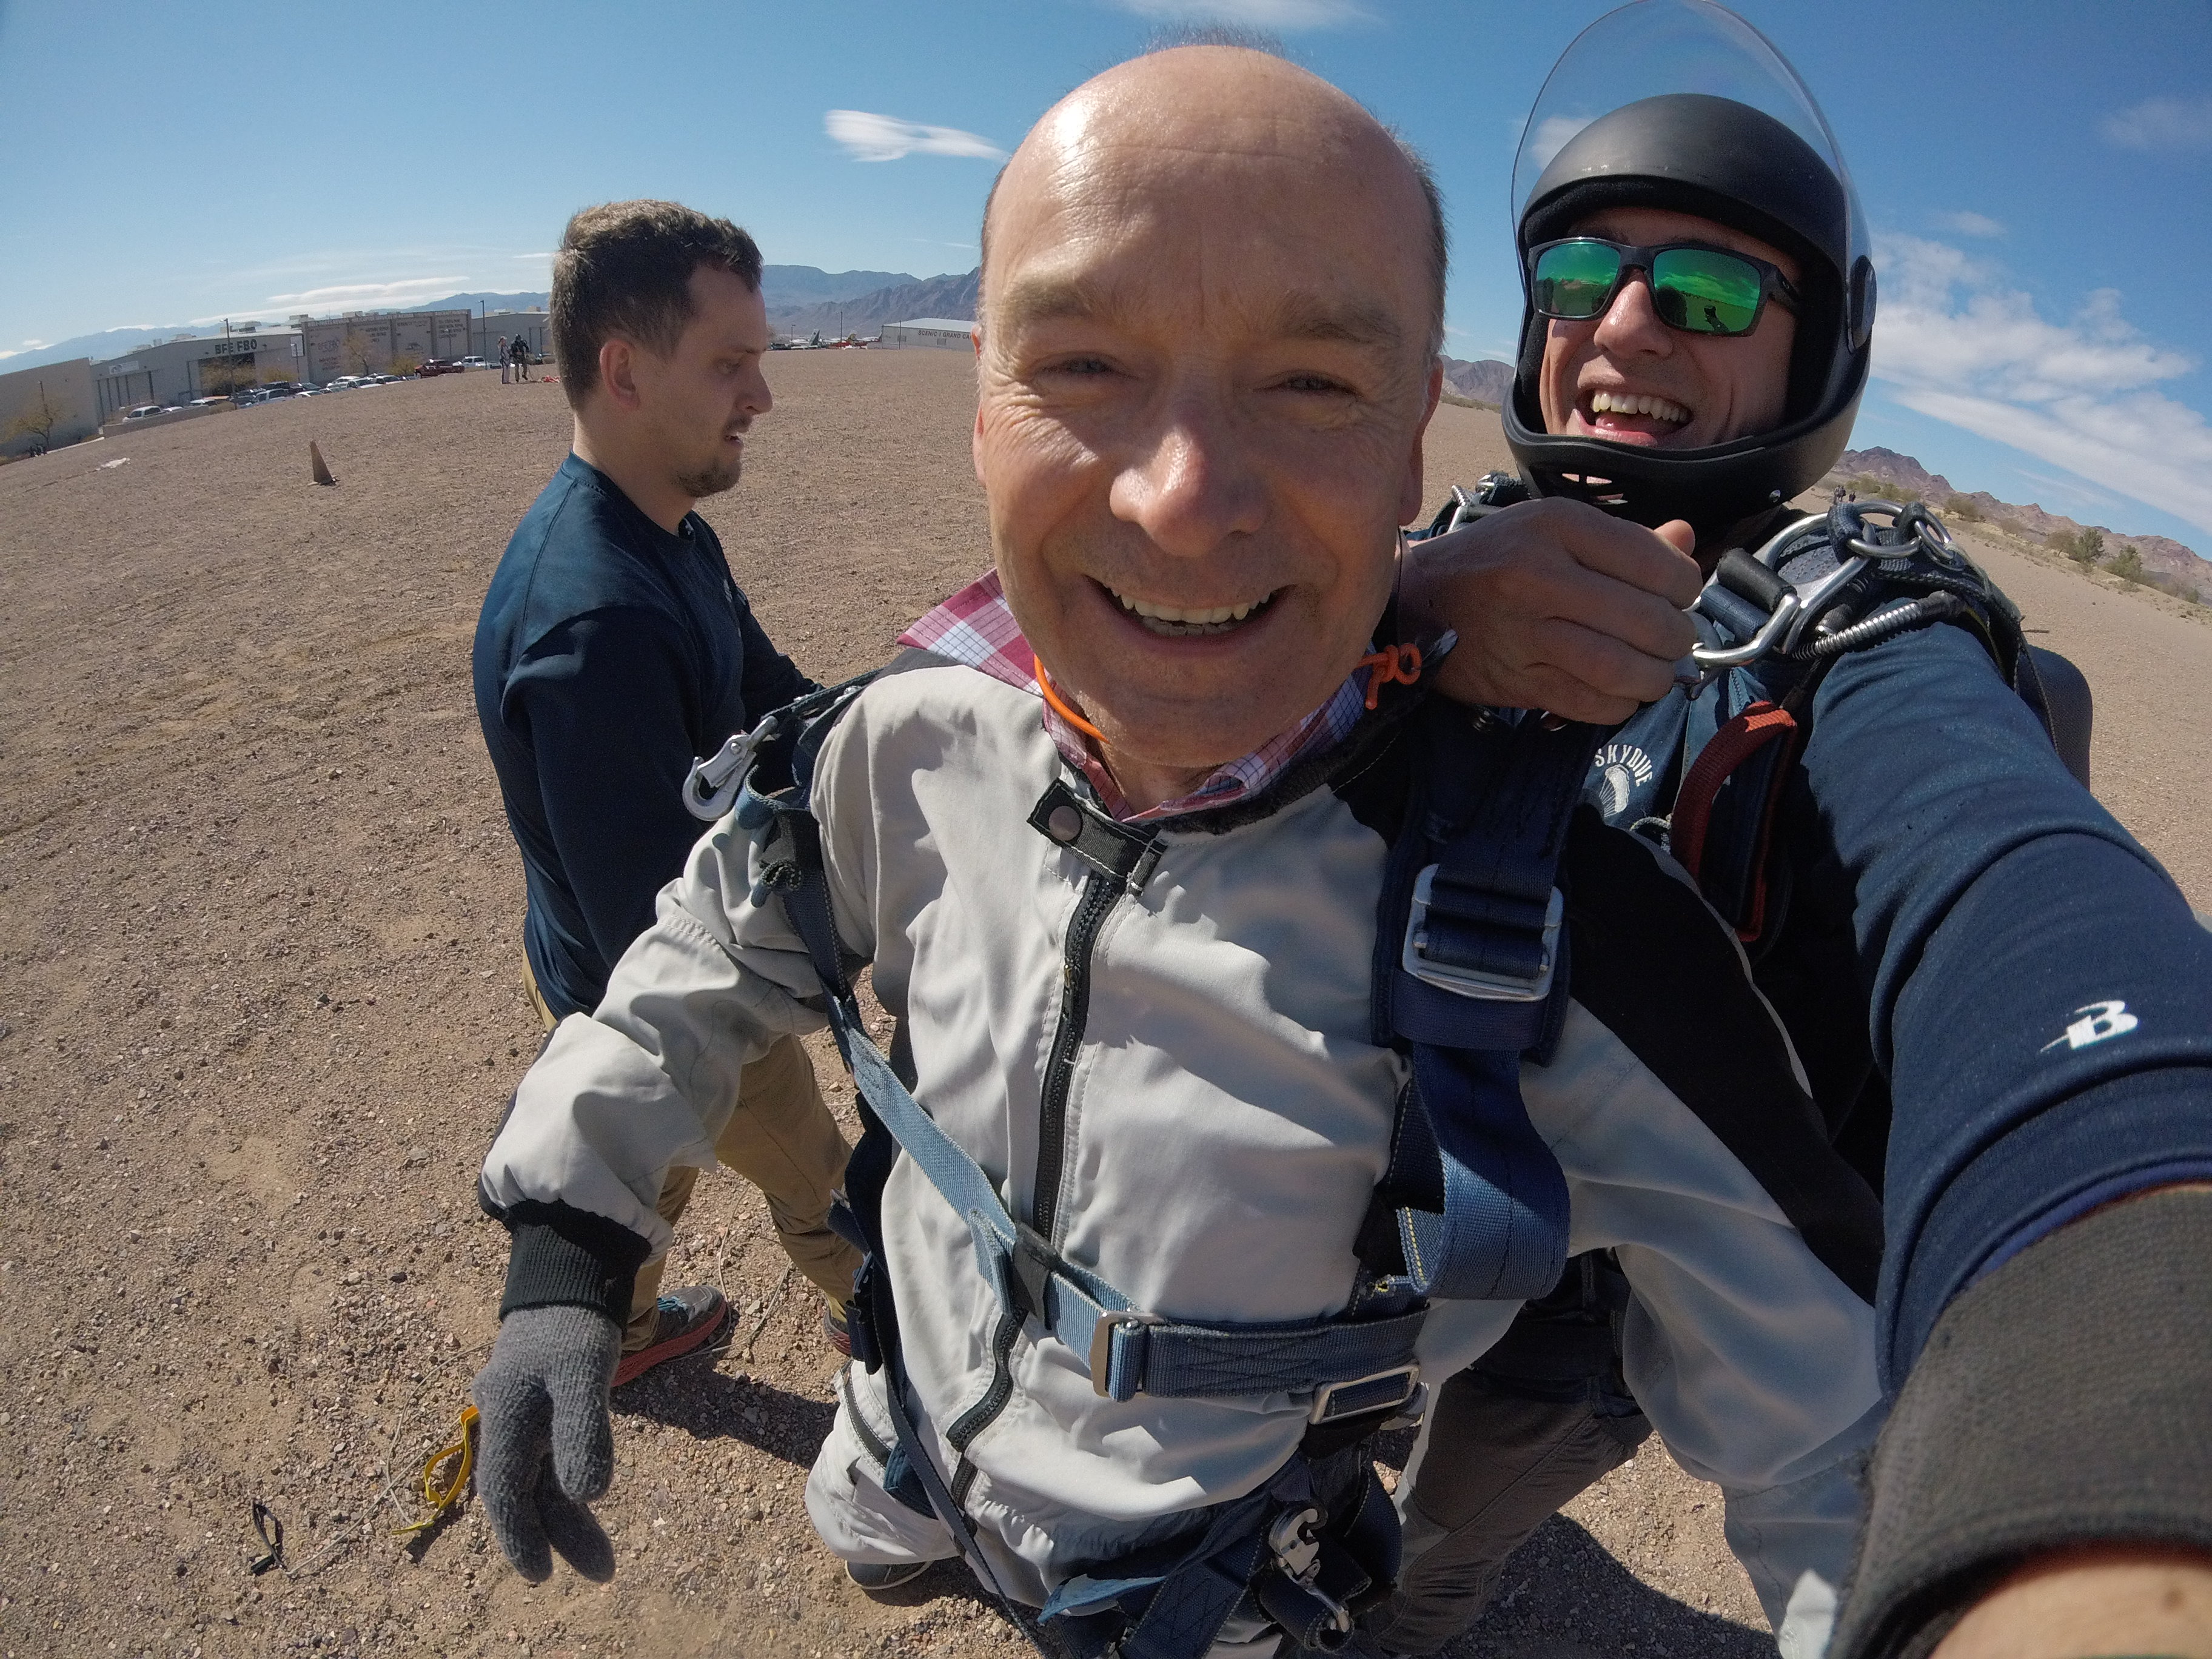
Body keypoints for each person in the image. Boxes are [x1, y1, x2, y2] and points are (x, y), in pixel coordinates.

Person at [467, 41, 2212, 1659]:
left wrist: (2077, 1496)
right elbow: (733, 920)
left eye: (1312, 383)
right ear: (979, 404)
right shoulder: (917, 737)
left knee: (1426, 1571)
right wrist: (572, 1233)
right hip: (903, 1458)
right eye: (1083, 364)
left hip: (1203, 1571)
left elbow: (1846, 1430)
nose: (1181, 499)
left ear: (1404, 444)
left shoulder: (1586, 912)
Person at [1362, 5, 2212, 1657]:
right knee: (1343, 1482)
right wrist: (1398, 606)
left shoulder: (1845, 631)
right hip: (1388, 1217)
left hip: (1613, 1318)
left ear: (1815, 353)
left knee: (1451, 1537)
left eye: (1705, 293)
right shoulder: (1449, 548)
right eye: (1578, 276)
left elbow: (2009, 889)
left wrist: (2134, 1313)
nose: (1623, 323)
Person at [472, 199, 860, 1390]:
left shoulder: (668, 527)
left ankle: (628, 1329)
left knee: (649, 1164)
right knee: (828, 1185)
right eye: (730, 364)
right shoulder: (594, 629)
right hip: (647, 981)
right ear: (625, 372)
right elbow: (658, 940)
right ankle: (898, 1339)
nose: (764, 395)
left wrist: (892, 736)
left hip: (601, 967)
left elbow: (765, 692)